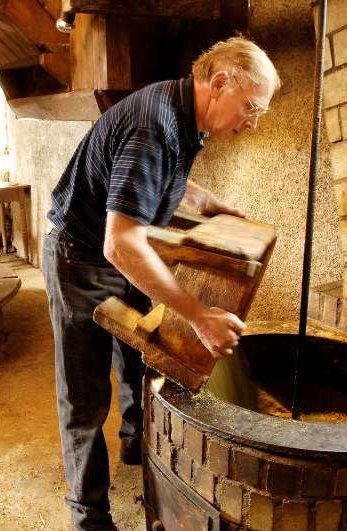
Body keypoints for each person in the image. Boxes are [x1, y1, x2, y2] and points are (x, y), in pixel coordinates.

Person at [42, 36, 281, 530]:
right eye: (252, 107)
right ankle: (88, 516)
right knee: (85, 398)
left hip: (113, 250)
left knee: (136, 358)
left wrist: (208, 204)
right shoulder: (153, 124)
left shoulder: (183, 117)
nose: (253, 122)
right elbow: (122, 247)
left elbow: (161, 182)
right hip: (80, 257)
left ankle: (134, 442)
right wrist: (200, 316)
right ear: (219, 83)